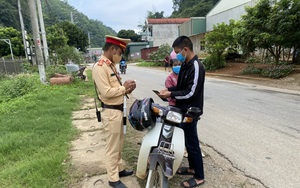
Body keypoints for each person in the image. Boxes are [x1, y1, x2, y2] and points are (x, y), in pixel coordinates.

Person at [158, 36, 205, 188]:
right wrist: (168, 90)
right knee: (187, 141)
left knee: (192, 143)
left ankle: (199, 177)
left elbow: (191, 92)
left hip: (191, 111)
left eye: (178, 52)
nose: (176, 55)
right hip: (182, 110)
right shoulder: (185, 64)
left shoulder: (196, 67)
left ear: (185, 49)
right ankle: (192, 168)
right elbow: (181, 87)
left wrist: (170, 94)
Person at [92, 35, 136, 188]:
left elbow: (115, 89)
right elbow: (106, 92)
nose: (121, 55)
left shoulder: (110, 66)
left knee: (119, 144)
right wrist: (124, 88)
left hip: (118, 111)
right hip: (110, 113)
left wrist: (126, 88)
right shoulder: (100, 67)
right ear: (112, 49)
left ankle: (119, 169)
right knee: (112, 147)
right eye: (120, 52)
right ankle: (113, 179)